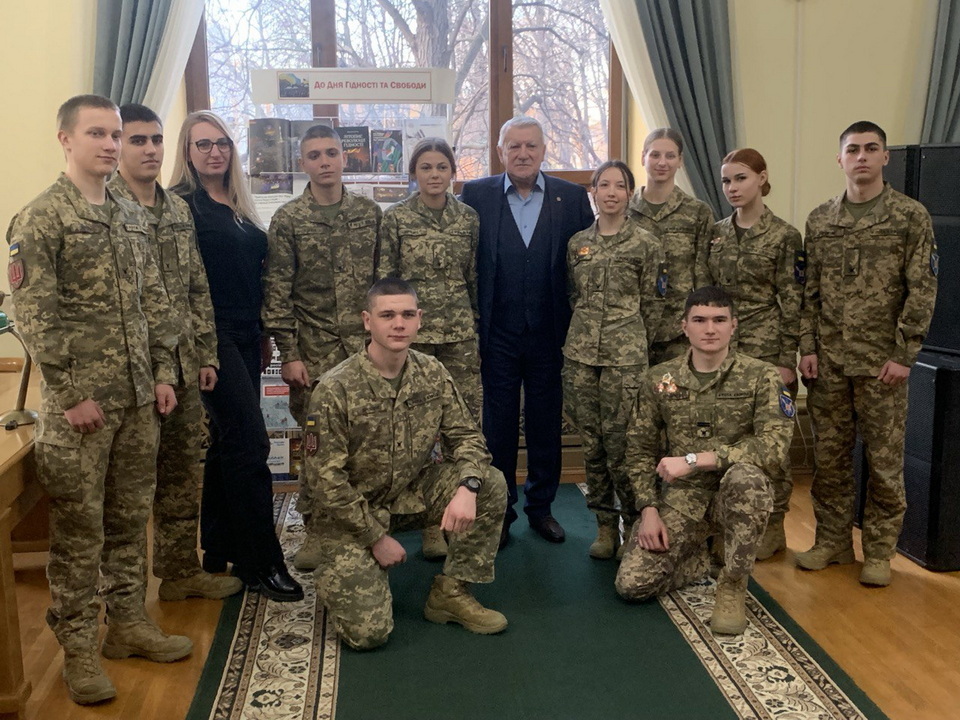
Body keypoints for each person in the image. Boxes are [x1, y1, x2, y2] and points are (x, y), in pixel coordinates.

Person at [7, 94, 190, 705]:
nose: (111, 145)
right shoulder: (42, 219)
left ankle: (128, 625)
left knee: (129, 521)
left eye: (116, 134)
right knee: (79, 533)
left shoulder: (128, 211)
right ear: (65, 139)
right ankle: (79, 651)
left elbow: (153, 297)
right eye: (97, 134)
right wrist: (69, 394)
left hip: (138, 400)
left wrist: (162, 371)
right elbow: (34, 315)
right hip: (81, 410)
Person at [302, 278, 508, 650]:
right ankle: (335, 568)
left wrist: (468, 488)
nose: (399, 324)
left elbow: (468, 437)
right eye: (387, 315)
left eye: (407, 315)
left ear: (419, 320)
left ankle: (450, 591)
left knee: (490, 483)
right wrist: (375, 538)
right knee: (369, 635)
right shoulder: (335, 388)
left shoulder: (432, 372)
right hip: (351, 513)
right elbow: (325, 481)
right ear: (367, 321)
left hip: (410, 493)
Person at [109, 103, 242, 601]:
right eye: (137, 140)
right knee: (129, 493)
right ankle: (124, 605)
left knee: (183, 476)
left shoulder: (178, 209)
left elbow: (195, 288)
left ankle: (179, 571)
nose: (150, 149)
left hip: (185, 365)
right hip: (131, 372)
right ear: (117, 146)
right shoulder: (105, 209)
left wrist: (205, 354)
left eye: (156, 139)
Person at [797, 121, 938, 587]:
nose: (861, 157)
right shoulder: (820, 219)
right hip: (829, 364)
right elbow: (809, 293)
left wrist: (905, 353)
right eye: (853, 149)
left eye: (871, 148)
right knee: (830, 461)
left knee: (884, 464)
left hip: (883, 365)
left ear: (885, 157)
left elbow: (922, 289)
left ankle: (879, 551)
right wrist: (808, 347)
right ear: (839, 159)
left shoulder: (909, 216)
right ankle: (833, 541)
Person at [170, 111, 302, 602]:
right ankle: (261, 561)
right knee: (250, 444)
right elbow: (180, 285)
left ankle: (219, 545)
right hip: (212, 337)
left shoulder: (239, 204)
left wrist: (264, 334)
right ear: (187, 152)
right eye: (203, 144)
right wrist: (203, 349)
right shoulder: (182, 206)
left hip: (247, 335)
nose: (214, 152)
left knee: (229, 443)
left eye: (222, 142)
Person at [615, 287, 793, 635]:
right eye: (699, 320)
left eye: (719, 320)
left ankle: (733, 583)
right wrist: (648, 510)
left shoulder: (762, 376)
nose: (710, 329)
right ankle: (700, 557)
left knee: (747, 479)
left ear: (733, 325)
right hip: (685, 498)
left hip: (737, 494)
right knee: (632, 585)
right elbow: (638, 449)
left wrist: (697, 459)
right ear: (684, 327)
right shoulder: (660, 379)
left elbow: (774, 447)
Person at [461, 116, 594, 547]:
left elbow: (584, 265)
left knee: (544, 425)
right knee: (497, 428)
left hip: (549, 334)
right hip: (497, 333)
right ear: (500, 151)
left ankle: (542, 509)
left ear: (543, 150)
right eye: (514, 146)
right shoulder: (476, 195)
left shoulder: (571, 198)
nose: (522, 153)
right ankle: (500, 512)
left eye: (531, 146)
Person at [261, 123, 381, 572]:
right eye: (314, 155)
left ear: (344, 158)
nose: (325, 162)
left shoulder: (369, 214)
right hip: (313, 351)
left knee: (368, 440)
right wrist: (288, 354)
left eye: (332, 153)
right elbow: (278, 291)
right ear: (302, 163)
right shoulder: (289, 219)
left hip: (365, 348)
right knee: (315, 444)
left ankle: (368, 526)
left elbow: (383, 282)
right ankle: (314, 528)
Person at [379, 137, 481, 560]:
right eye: (426, 167)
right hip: (413, 339)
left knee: (463, 425)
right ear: (413, 174)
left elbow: (473, 277)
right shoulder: (396, 218)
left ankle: (461, 512)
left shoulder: (468, 218)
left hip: (459, 336)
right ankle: (426, 523)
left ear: (452, 172)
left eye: (442, 167)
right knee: (417, 431)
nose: (434, 175)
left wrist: (476, 325)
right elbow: (386, 282)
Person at [562, 160, 665, 559]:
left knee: (624, 445)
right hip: (582, 357)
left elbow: (654, 304)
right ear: (593, 192)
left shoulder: (646, 243)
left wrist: (634, 342)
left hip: (626, 360)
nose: (610, 192)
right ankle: (605, 527)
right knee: (592, 446)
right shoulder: (577, 243)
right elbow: (573, 296)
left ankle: (633, 522)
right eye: (603, 185)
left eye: (619, 186)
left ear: (629, 193)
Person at [708, 148, 804, 559]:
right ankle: (724, 524)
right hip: (722, 350)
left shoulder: (784, 236)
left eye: (741, 178)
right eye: (726, 180)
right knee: (723, 434)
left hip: (766, 351)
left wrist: (786, 360)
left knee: (771, 439)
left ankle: (773, 524)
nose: (732, 187)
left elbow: (793, 301)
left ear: (762, 178)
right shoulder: (716, 234)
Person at [628, 128, 714, 365]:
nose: (662, 162)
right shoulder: (626, 211)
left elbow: (703, 275)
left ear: (680, 161)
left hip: (679, 331)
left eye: (670, 156)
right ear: (643, 157)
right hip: (631, 329)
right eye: (655, 155)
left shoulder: (697, 212)